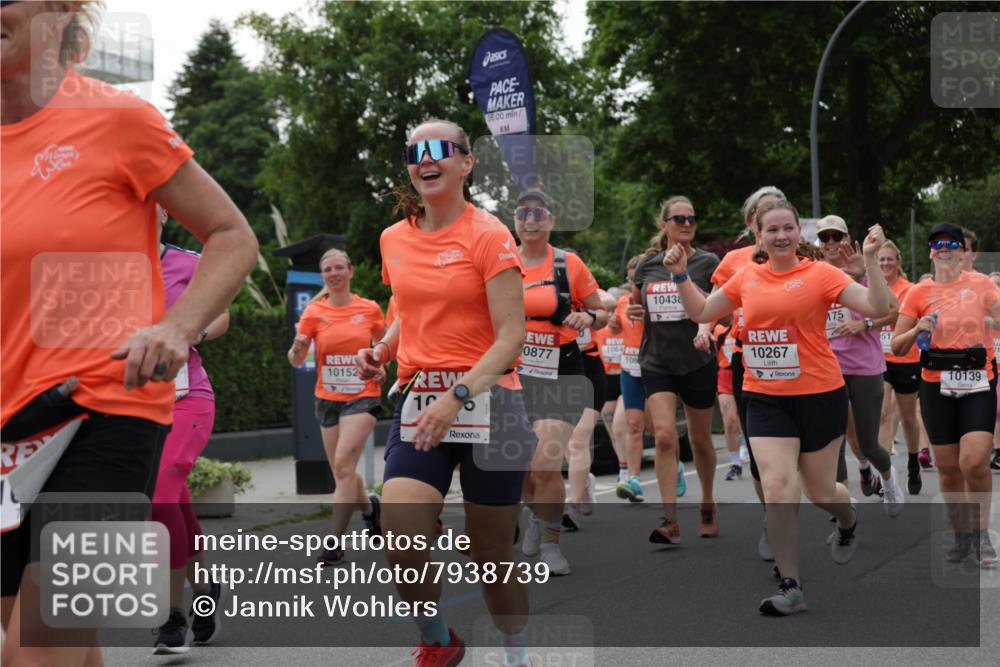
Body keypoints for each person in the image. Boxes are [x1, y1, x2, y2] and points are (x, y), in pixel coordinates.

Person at [1, 3, 258, 665]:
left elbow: (232, 235)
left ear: (58, 15)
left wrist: (178, 324)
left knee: (34, 647)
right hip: (8, 432)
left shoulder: (117, 119)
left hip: (108, 409)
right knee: (59, 643)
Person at [356, 118, 535, 667]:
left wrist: (457, 394)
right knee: (402, 538)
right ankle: (439, 639)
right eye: (415, 151)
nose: (425, 159)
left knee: (491, 561)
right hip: (420, 400)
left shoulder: (489, 234)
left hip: (490, 401)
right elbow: (407, 309)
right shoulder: (394, 238)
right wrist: (384, 348)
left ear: (466, 162)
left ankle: (516, 653)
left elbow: (512, 335)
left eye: (440, 149)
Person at [667, 198, 890, 615]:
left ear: (798, 234)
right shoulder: (745, 278)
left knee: (821, 491)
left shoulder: (821, 274)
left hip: (820, 394)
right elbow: (700, 310)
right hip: (766, 397)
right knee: (778, 487)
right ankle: (791, 585)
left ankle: (847, 520)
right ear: (760, 236)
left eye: (789, 228)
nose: (782, 235)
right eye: (773, 229)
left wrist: (872, 262)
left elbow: (878, 308)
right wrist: (679, 274)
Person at [891, 222, 999, 567]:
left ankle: (982, 537)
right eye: (937, 244)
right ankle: (962, 535)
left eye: (951, 243)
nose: (944, 248)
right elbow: (896, 343)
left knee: (974, 460)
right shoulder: (919, 293)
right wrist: (918, 329)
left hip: (978, 383)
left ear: (964, 251)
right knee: (949, 469)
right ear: (930, 252)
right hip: (936, 386)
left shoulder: (982, 285)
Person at [150, 208, 232, 654]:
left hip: (187, 400)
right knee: (175, 504)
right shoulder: (107, 271)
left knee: (160, 497)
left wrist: (191, 331)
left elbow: (222, 317)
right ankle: (206, 589)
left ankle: (172, 617)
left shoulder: (188, 262)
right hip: (135, 408)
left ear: (164, 211)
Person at [514, 190, 608, 575]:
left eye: (538, 214)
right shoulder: (503, 263)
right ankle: (536, 515)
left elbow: (602, 308)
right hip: (514, 375)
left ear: (551, 221)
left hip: (561, 371)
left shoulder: (567, 263)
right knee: (519, 469)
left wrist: (590, 318)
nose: (531, 220)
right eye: (523, 214)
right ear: (515, 221)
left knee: (546, 464)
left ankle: (552, 542)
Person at [631, 196, 721, 543]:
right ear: (664, 224)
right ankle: (669, 519)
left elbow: (719, 310)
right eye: (679, 218)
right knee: (666, 436)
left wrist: (683, 276)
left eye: (692, 219)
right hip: (657, 362)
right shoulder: (646, 266)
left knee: (699, 439)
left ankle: (708, 502)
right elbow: (637, 306)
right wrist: (631, 314)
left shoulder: (708, 262)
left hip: (697, 361)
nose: (686, 223)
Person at [288, 248, 385, 565]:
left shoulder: (369, 309)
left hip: (363, 394)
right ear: (323, 276)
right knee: (343, 472)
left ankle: (335, 542)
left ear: (350, 271)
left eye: (340, 267)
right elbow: (296, 359)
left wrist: (382, 365)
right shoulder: (314, 312)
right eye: (328, 269)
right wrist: (299, 348)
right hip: (327, 399)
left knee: (343, 463)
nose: (334, 273)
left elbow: (389, 348)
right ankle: (370, 507)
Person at [709, 186, 785, 561]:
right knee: (761, 451)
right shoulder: (735, 261)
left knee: (803, 456)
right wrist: (708, 328)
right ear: (751, 221)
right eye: (763, 211)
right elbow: (714, 309)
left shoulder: (803, 256)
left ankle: (835, 501)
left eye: (778, 208)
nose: (771, 215)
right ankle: (774, 520)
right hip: (749, 359)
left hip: (803, 362)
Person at [816, 215, 904, 516]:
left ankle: (889, 480)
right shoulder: (813, 274)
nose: (830, 243)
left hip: (865, 367)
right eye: (824, 237)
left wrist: (863, 324)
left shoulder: (863, 269)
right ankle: (845, 505)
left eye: (835, 237)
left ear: (845, 239)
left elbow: (896, 311)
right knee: (834, 440)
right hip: (827, 368)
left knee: (868, 443)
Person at [563, 289, 617, 531]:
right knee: (564, 442)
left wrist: (585, 310)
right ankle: (584, 481)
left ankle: (573, 506)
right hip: (558, 370)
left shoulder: (582, 288)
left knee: (578, 440)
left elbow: (609, 301)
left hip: (589, 370)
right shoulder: (539, 292)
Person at [875, 240, 926, 494]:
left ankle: (913, 460)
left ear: (898, 262)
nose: (885, 263)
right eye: (880, 259)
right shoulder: (873, 288)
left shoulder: (909, 290)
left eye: (889, 259)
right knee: (883, 415)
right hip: (879, 360)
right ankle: (887, 477)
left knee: (907, 418)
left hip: (906, 359)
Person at [612, 256, 648, 502]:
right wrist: (614, 325)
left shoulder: (654, 302)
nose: (635, 281)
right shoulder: (622, 302)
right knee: (634, 424)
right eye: (632, 277)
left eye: (640, 278)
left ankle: (674, 464)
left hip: (655, 368)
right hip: (629, 368)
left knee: (661, 431)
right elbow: (616, 329)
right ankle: (634, 479)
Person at [715, 323, 745, 480]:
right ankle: (736, 463)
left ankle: (753, 451)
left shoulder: (745, 319)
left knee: (746, 419)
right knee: (729, 420)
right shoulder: (719, 328)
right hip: (725, 375)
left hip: (746, 373)